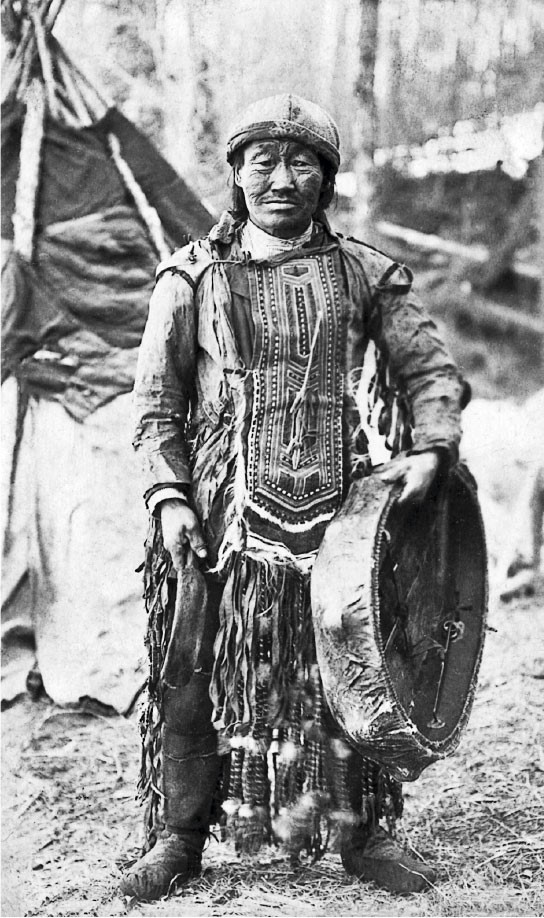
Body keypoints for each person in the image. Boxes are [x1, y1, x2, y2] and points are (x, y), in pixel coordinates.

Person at [121, 94, 464, 901]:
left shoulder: (365, 272)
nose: (281, 179)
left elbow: (428, 371)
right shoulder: (191, 276)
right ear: (237, 175)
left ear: (325, 178)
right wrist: (168, 495)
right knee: (193, 661)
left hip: (342, 512)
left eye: (301, 162)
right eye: (263, 163)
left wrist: (431, 447)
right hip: (220, 511)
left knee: (350, 662)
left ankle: (363, 832)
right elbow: (155, 405)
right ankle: (179, 835)